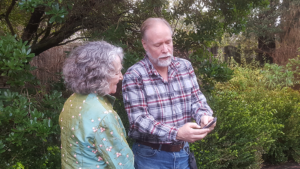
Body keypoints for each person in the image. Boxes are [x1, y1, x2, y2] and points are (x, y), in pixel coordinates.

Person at [122, 18, 216, 169]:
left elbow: (197, 100)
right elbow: (139, 119)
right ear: (144, 44)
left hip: (183, 154)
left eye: (168, 42)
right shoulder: (134, 75)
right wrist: (177, 133)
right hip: (150, 157)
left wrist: (204, 116)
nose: (165, 49)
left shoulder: (185, 66)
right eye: (158, 44)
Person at [59, 41, 134, 169]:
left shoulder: (72, 100)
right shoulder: (103, 115)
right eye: (117, 72)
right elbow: (123, 164)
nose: (121, 77)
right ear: (100, 75)